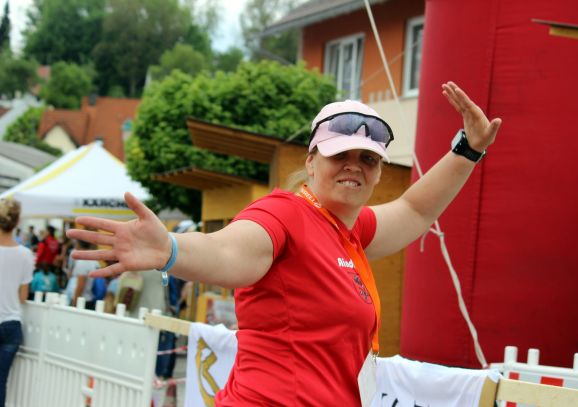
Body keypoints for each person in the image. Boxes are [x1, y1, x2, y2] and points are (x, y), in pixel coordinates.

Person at [68, 82, 501, 405]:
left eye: (368, 159)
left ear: (378, 173)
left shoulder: (349, 231)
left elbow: (414, 211)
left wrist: (468, 150)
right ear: (311, 163)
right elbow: (231, 250)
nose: (354, 166)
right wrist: (172, 250)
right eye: (340, 155)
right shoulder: (285, 214)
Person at [0, 199, 35, 407]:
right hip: (12, 324)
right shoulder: (26, 254)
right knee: (0, 382)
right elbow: (23, 296)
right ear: (17, 222)